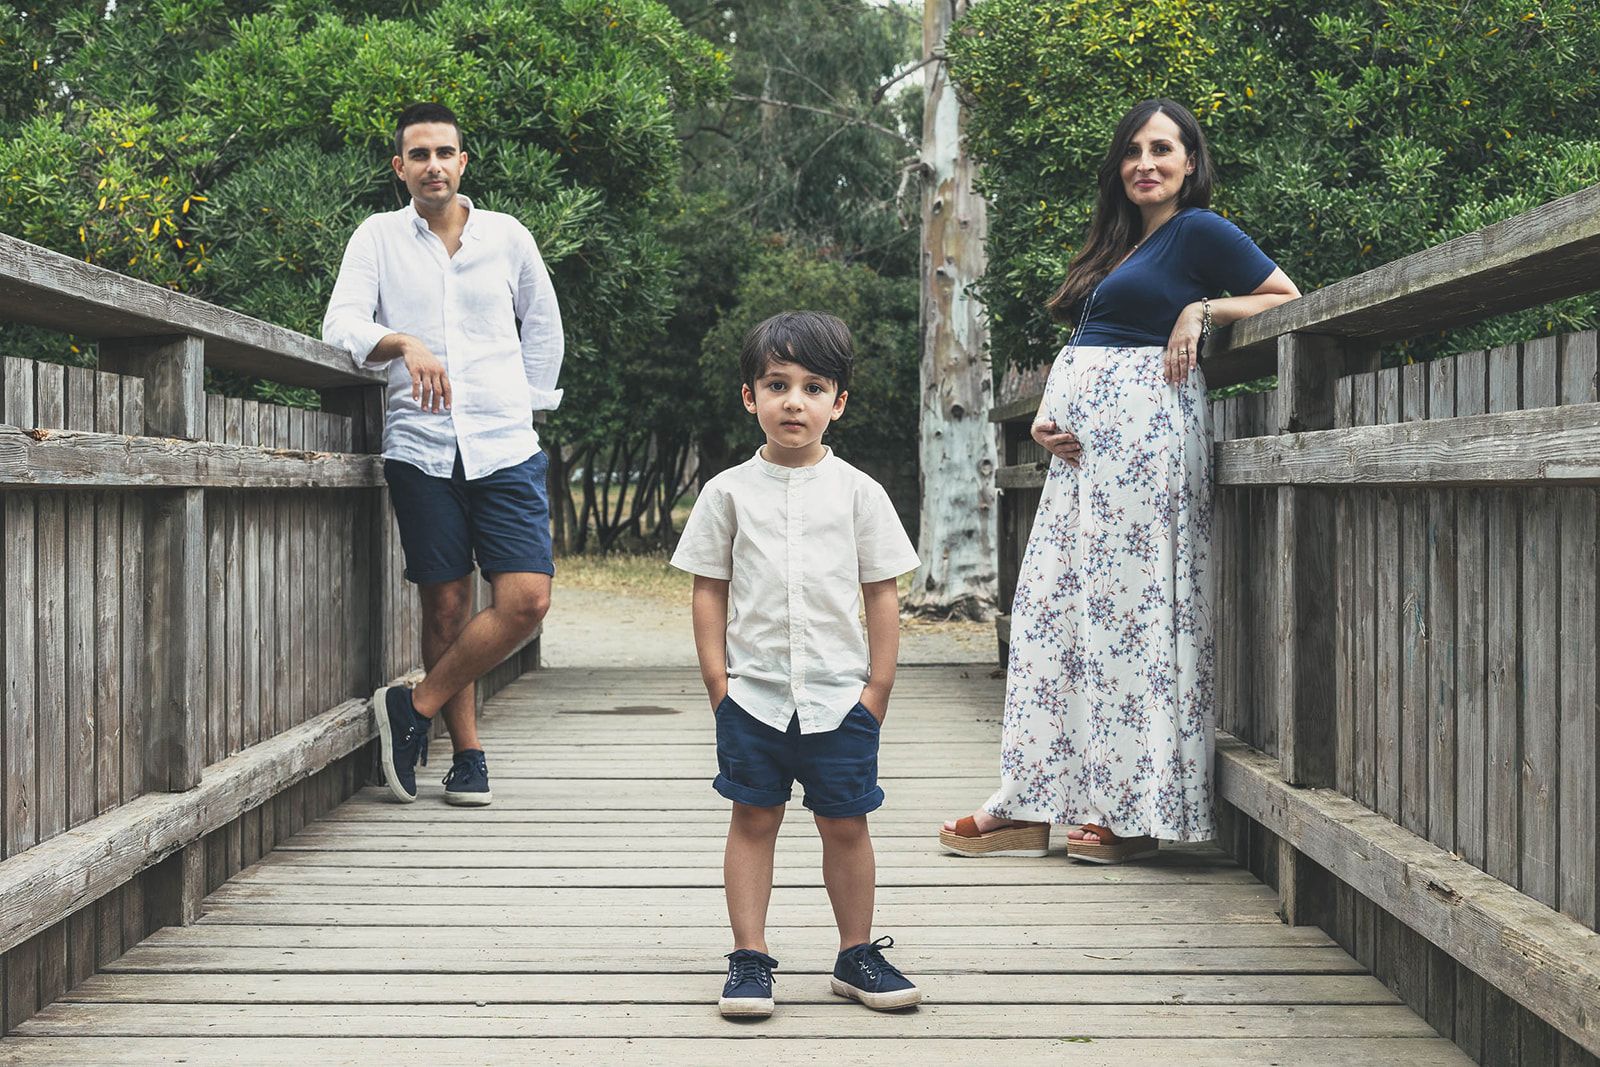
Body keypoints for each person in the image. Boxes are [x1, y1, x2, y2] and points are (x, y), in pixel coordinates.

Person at [939, 99, 1300, 864]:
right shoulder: (1120, 246)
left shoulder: (1199, 232)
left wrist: (1201, 309)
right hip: (1084, 458)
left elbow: (1287, 296)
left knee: (1131, 616)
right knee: (1053, 612)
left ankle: (1129, 809)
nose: (1146, 162)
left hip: (1146, 442)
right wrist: (1048, 412)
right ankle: (1033, 800)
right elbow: (1091, 343)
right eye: (1134, 150)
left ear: (1190, 162)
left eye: (1163, 148)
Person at [671, 311, 923, 1019]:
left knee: (846, 822)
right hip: (753, 697)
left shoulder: (858, 493)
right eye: (776, 384)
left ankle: (855, 953)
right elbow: (708, 590)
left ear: (838, 402)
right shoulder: (726, 493)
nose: (793, 401)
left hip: (841, 697)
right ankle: (749, 958)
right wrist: (719, 684)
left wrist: (876, 688)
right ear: (748, 395)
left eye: (814, 386)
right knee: (753, 817)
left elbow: (882, 592)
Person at [323, 102, 563, 807]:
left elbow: (543, 325)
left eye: (445, 152)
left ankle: (415, 706)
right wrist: (402, 342)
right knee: (446, 605)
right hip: (421, 447)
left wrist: (528, 406)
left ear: (464, 162)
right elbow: (340, 323)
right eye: (418, 154)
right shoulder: (377, 238)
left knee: (526, 599)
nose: (433, 165)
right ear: (400, 168)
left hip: (505, 445)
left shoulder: (507, 237)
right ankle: (468, 755)